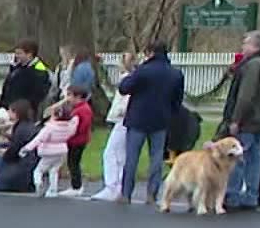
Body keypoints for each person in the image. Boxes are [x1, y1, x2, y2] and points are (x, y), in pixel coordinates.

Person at [116, 41, 183, 205]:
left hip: (138, 118)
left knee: (132, 158)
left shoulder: (143, 71)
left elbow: (124, 88)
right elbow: (177, 100)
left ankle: (126, 193)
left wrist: (132, 74)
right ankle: (152, 194)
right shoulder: (175, 73)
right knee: (156, 158)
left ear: (151, 53)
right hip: (160, 120)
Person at [219, 31, 260, 212]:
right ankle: (252, 195)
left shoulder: (251, 67)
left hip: (248, 120)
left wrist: (236, 119)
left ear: (256, 47)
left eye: (246, 44)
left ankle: (232, 195)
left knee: (238, 158)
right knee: (255, 159)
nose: (243, 47)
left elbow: (245, 95)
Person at [0, 99, 41, 193]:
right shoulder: (29, 126)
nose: (7, 112)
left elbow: (12, 152)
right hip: (29, 169)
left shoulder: (20, 129)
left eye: (10, 111)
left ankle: (3, 179)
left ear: (16, 113)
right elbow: (17, 143)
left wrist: (2, 153)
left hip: (18, 170)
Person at [89, 74, 131, 202]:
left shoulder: (131, 79)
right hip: (125, 121)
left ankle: (111, 186)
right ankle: (118, 186)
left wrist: (121, 110)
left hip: (123, 120)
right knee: (120, 154)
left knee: (110, 153)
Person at [22, 100, 76, 198]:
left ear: (54, 116)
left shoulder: (49, 128)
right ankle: (53, 189)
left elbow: (38, 139)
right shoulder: (69, 127)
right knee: (54, 170)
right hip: (62, 150)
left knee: (38, 170)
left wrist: (27, 148)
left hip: (48, 151)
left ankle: (38, 183)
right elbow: (72, 131)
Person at [0, 40, 51, 118]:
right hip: (10, 108)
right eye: (16, 53)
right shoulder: (16, 68)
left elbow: (38, 93)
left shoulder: (39, 69)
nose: (16, 56)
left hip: (25, 111)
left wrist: (25, 108)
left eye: (19, 53)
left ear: (29, 54)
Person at [60, 83, 94, 195]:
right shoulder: (79, 109)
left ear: (78, 97)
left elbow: (81, 127)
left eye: (70, 95)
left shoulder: (82, 110)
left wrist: (69, 133)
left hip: (77, 141)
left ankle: (76, 186)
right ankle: (76, 185)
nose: (68, 98)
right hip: (76, 140)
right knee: (73, 162)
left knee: (73, 162)